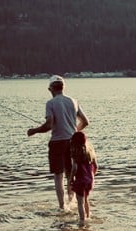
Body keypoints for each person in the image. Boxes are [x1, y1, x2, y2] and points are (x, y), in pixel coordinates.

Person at [27, 75, 89, 210]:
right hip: (73, 143)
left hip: (57, 143)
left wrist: (34, 130)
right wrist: (74, 133)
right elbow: (85, 122)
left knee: (58, 176)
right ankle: (72, 203)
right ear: (63, 87)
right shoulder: (73, 101)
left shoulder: (51, 103)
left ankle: (62, 207)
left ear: (50, 89)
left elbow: (49, 125)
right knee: (70, 175)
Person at [70, 131, 98, 222]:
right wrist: (92, 175)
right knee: (86, 199)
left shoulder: (75, 153)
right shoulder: (90, 152)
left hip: (80, 180)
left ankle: (82, 220)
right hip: (89, 180)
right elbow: (96, 166)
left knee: (80, 203)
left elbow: (74, 168)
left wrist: (71, 178)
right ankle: (88, 216)